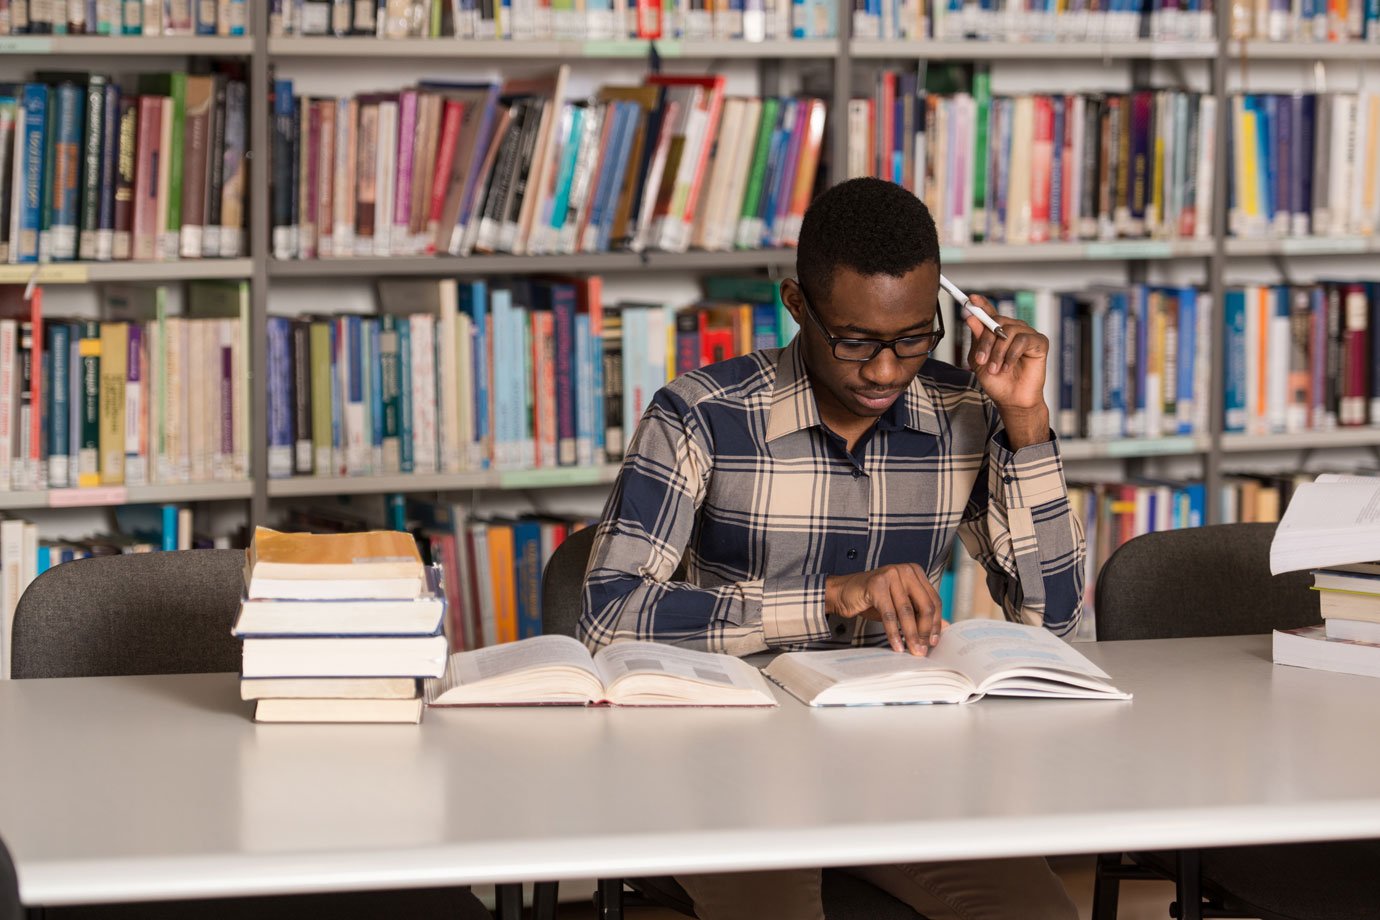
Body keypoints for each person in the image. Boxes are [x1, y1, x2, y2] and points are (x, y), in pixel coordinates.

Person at [579, 177, 1085, 920]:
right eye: (856, 342)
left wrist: (1027, 423)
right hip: (726, 752)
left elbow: (1057, 627)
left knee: (1038, 915)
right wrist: (828, 597)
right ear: (796, 305)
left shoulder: (967, 415)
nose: (884, 371)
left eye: (913, 340)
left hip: (904, 753)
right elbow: (608, 615)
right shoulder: (700, 415)